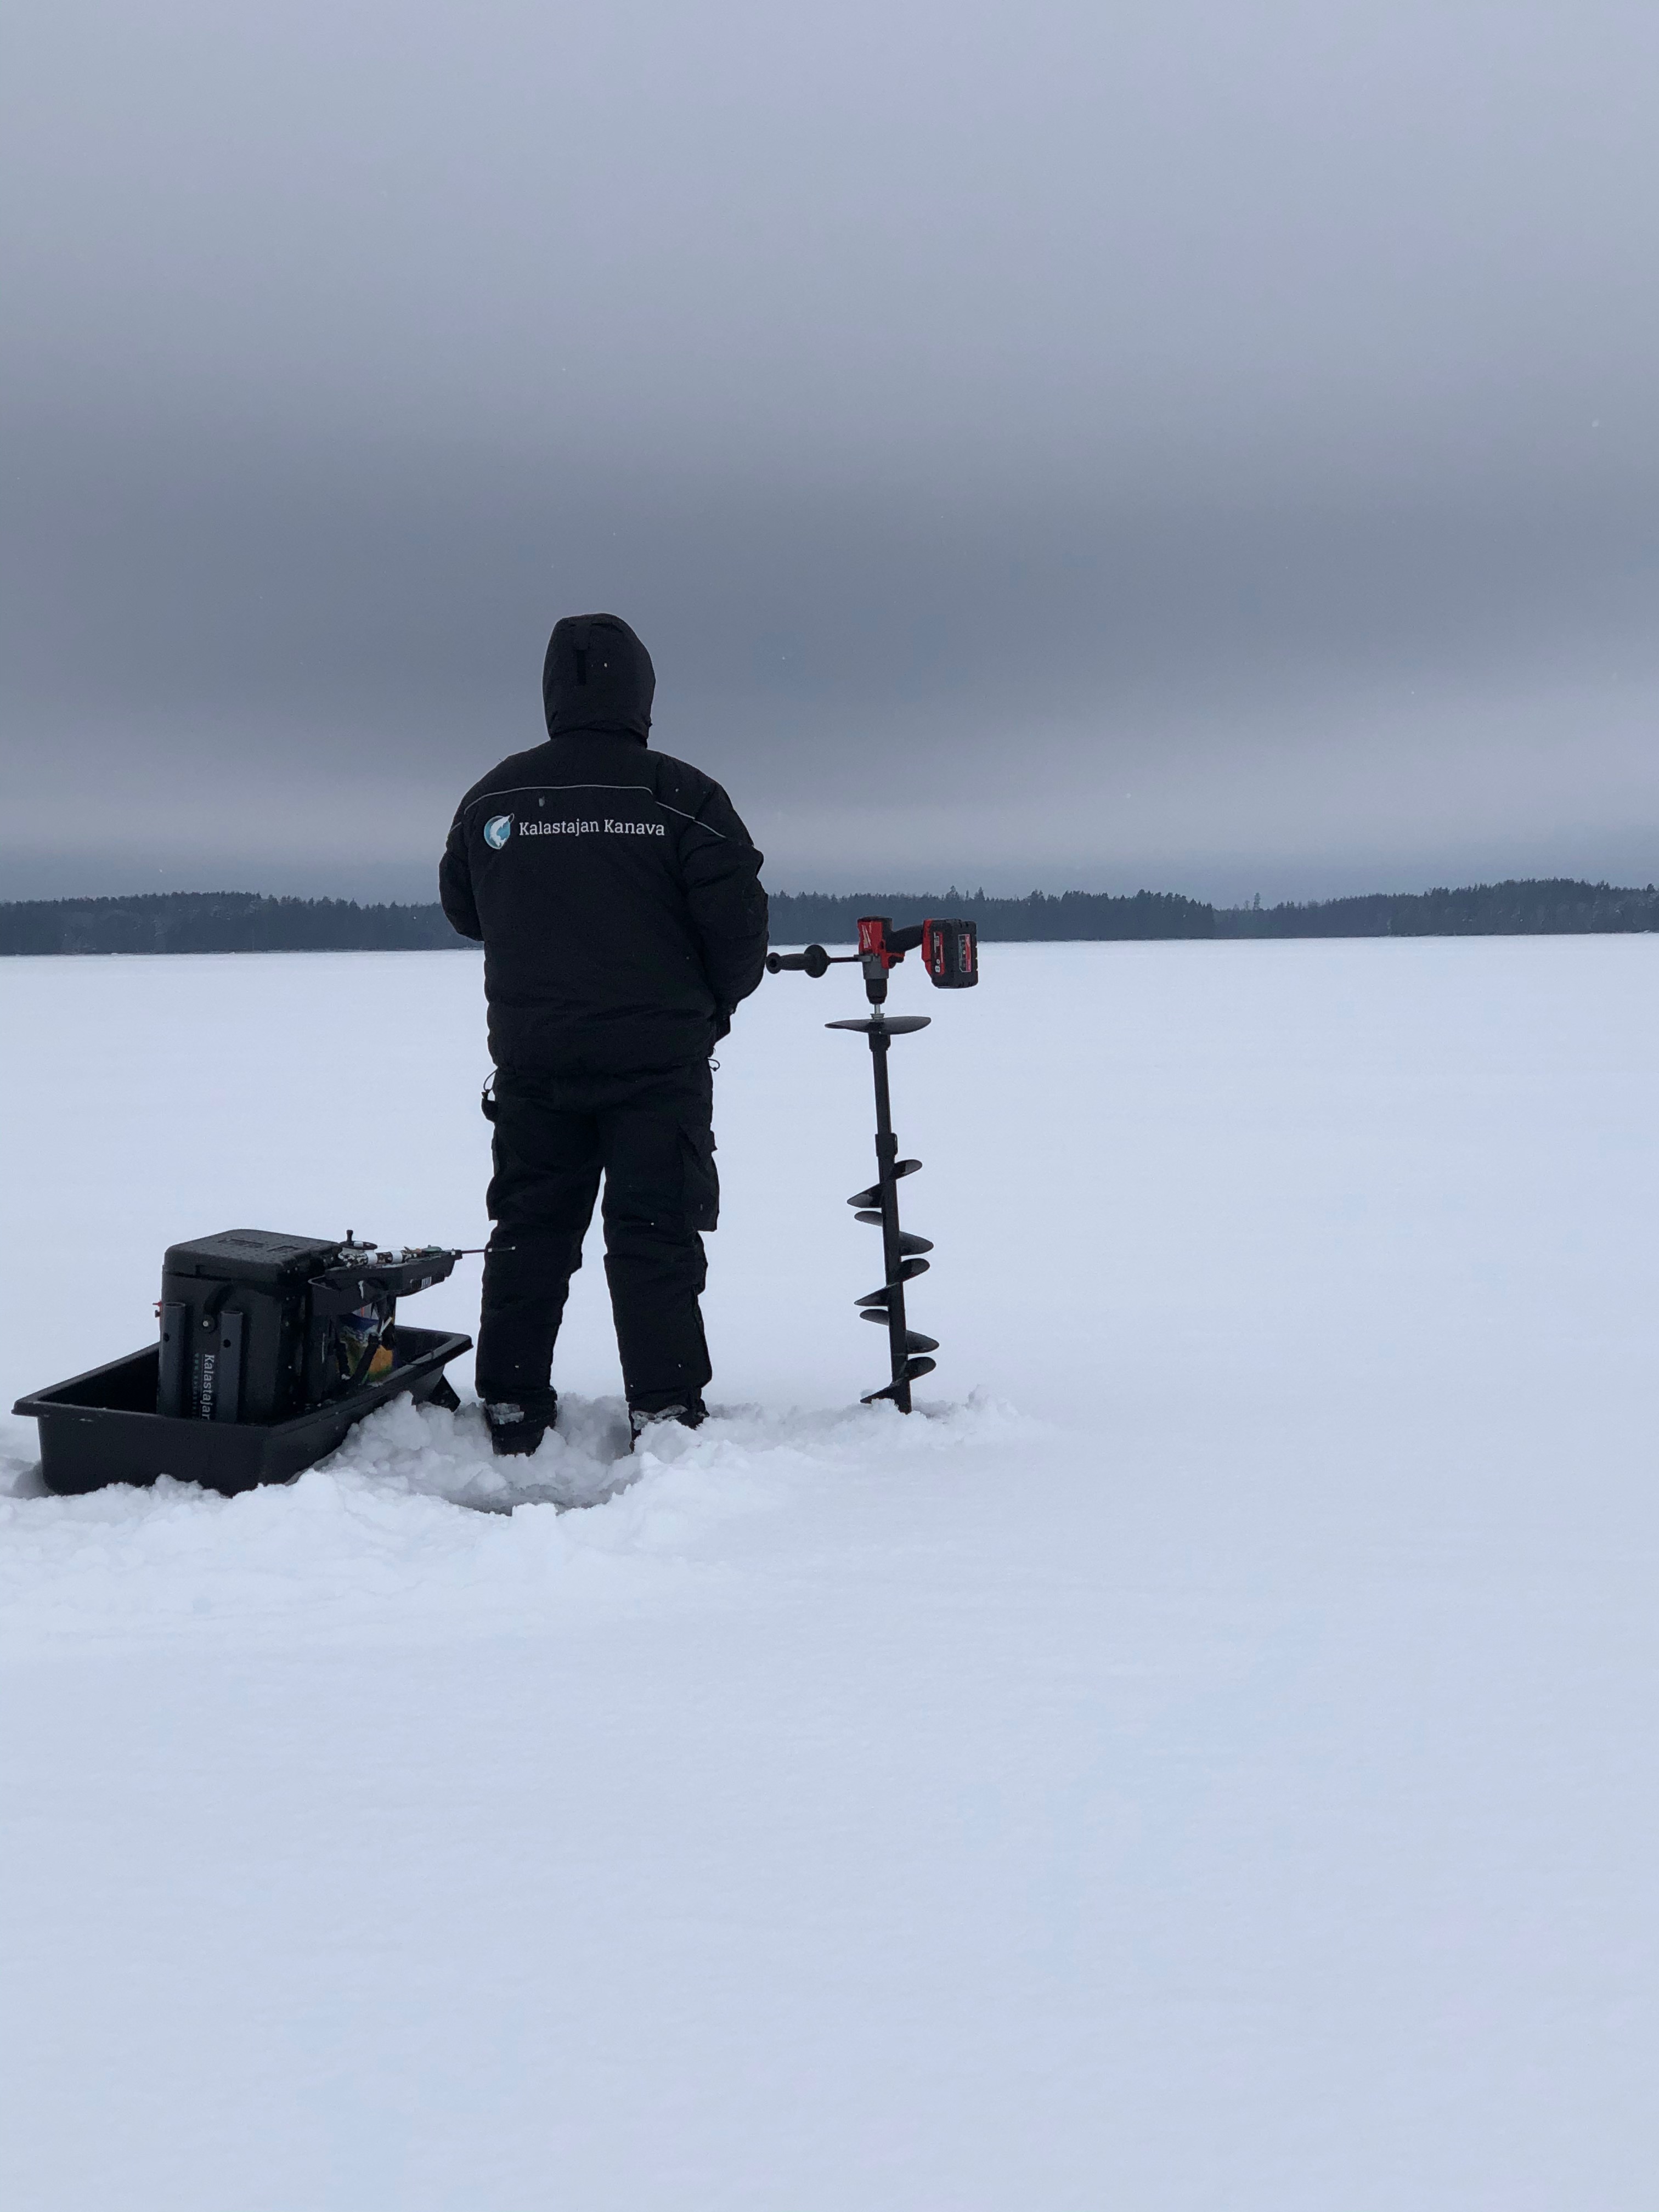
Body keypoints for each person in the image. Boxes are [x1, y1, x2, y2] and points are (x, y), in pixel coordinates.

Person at [439, 613, 768, 1454]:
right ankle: (663, 1413)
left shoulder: (495, 798)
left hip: (535, 1060)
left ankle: (512, 1409)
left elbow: (465, 910)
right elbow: (739, 939)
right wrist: (704, 1008)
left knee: (529, 1234)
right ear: (642, 695)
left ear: (553, 692)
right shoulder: (683, 798)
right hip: (657, 1063)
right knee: (654, 1235)